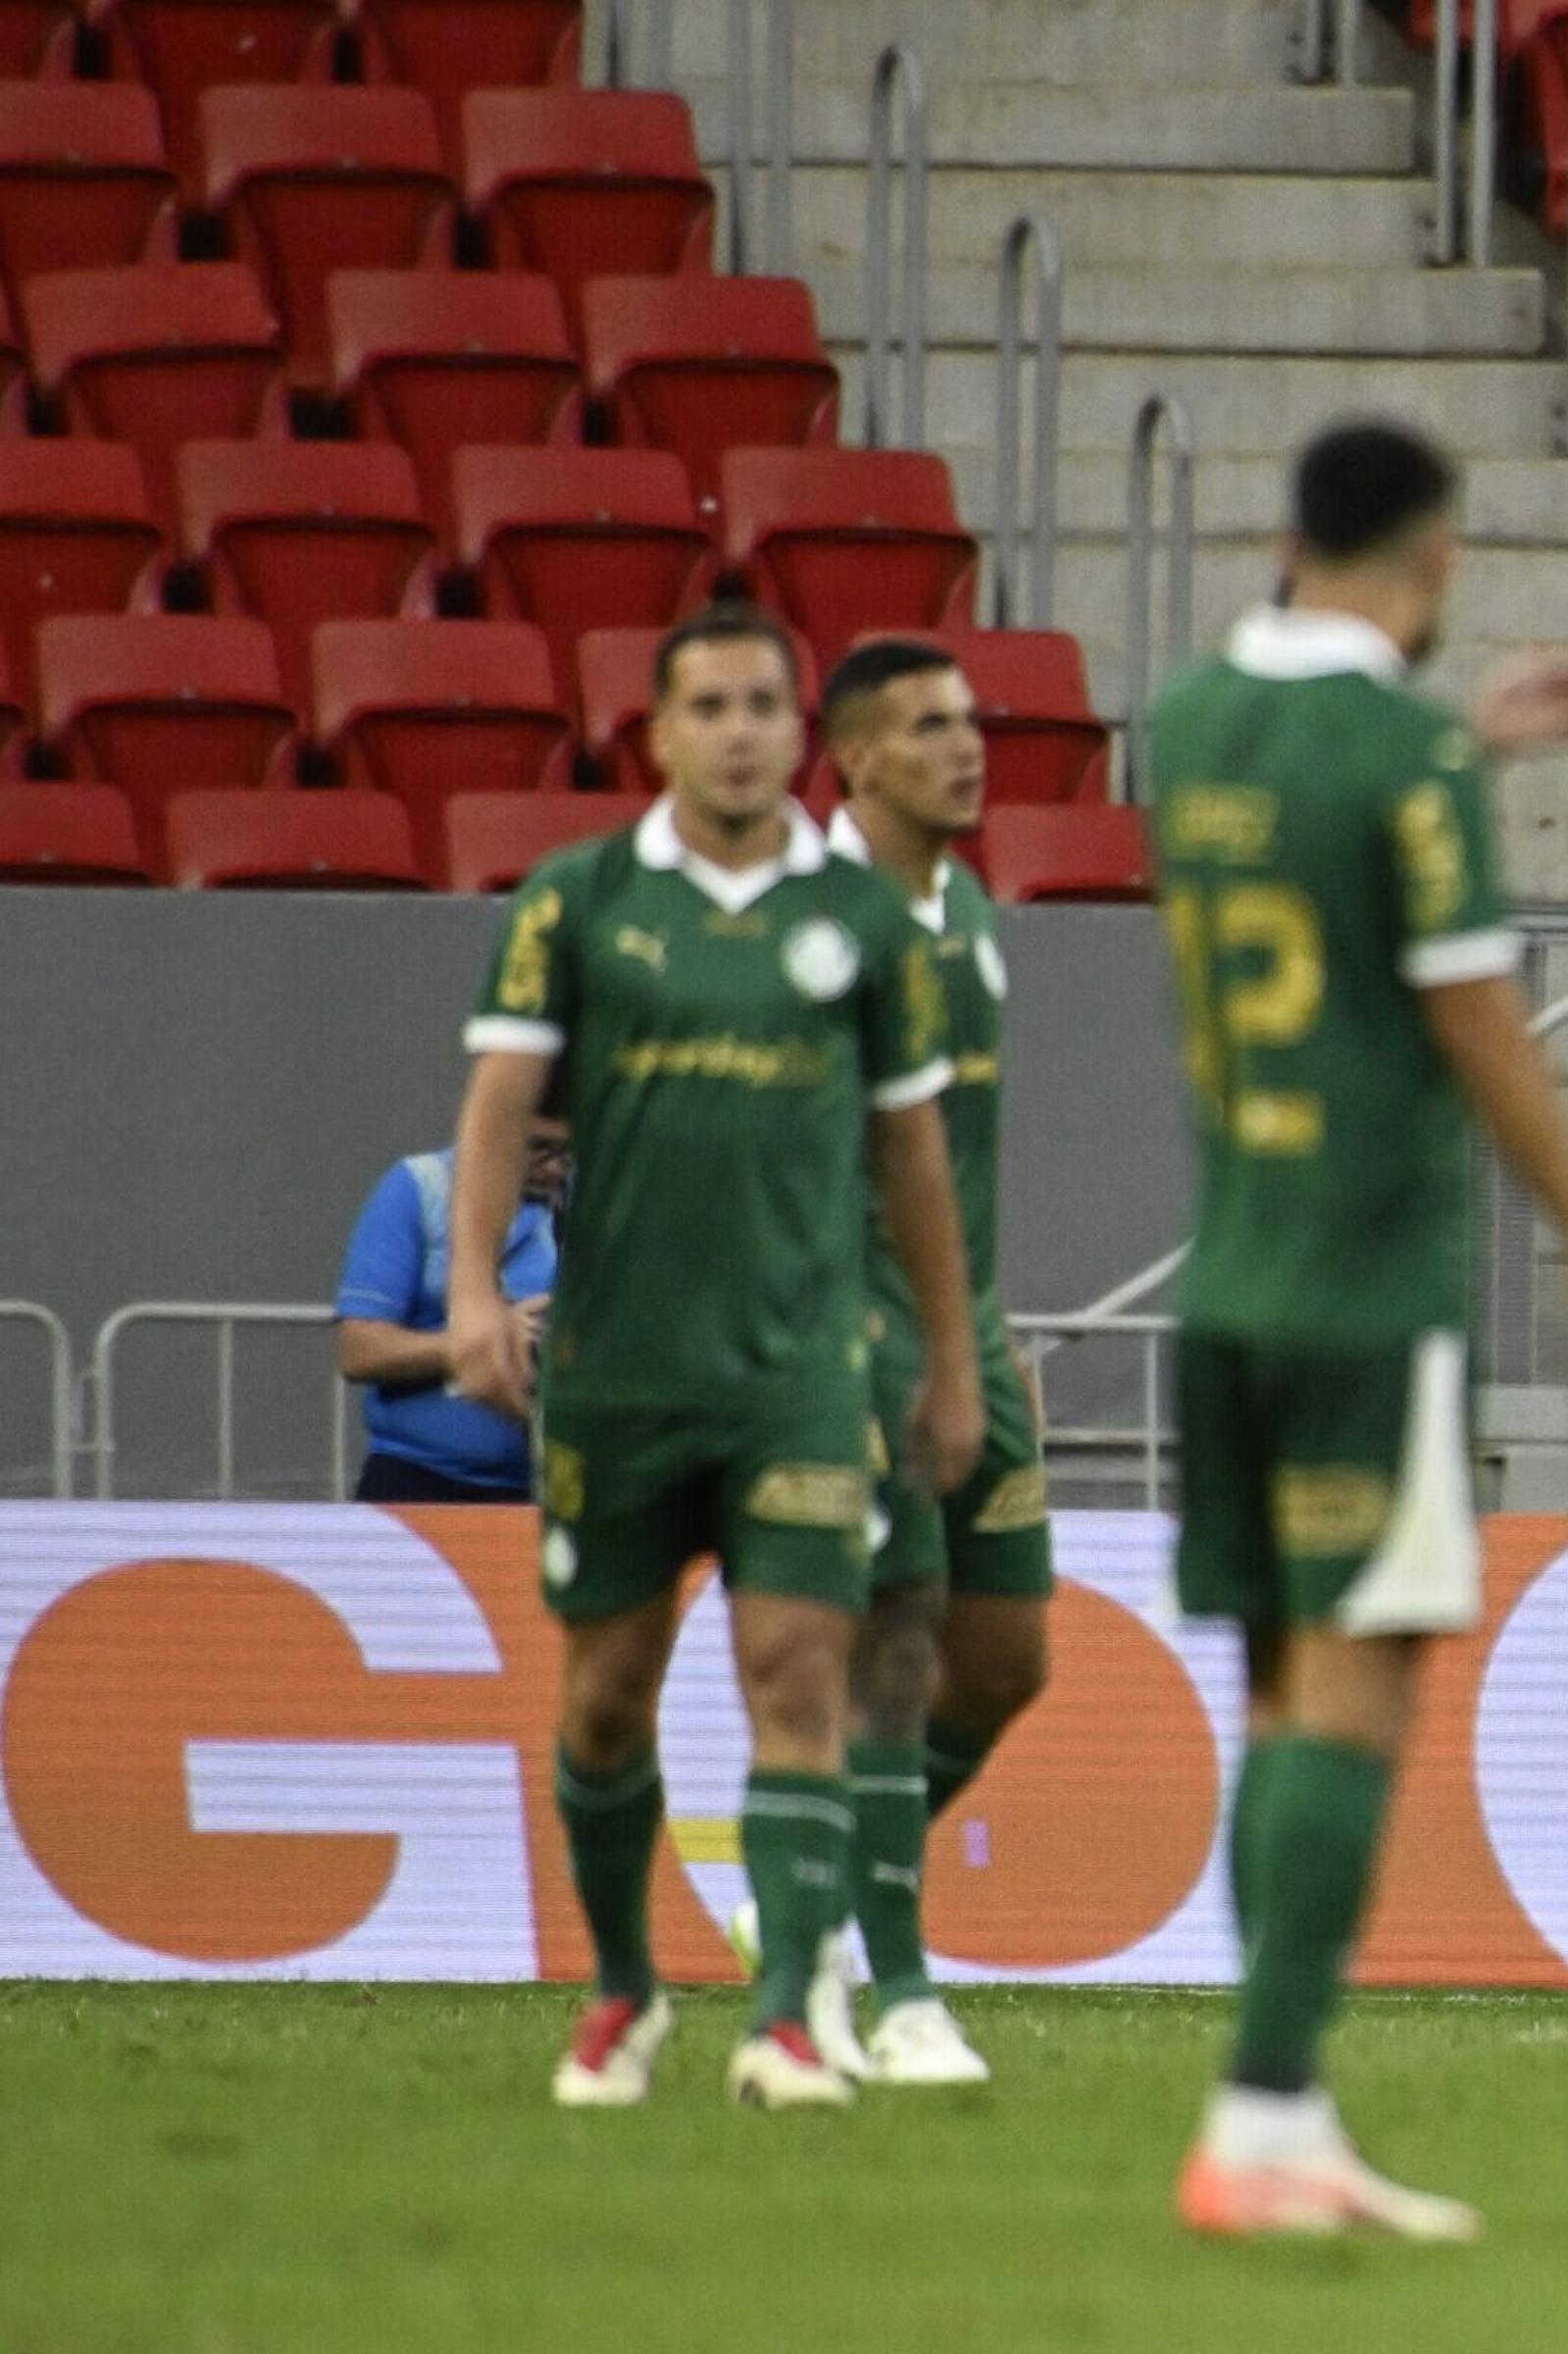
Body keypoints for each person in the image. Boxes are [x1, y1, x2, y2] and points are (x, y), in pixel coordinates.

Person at [1152, 419, 1568, 2243]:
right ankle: (1270, 2110)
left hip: (1229, 1279)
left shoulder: (1192, 724)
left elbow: (1327, 814)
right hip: (1373, 1289)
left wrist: (1467, 748)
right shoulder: (1403, 751)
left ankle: (1273, 2094)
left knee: (1278, 1700)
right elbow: (1473, 1021)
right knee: (1355, 1702)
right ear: (1434, 557)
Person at [449, 601, 985, 2111]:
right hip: (621, 1369)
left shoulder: (868, 926)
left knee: (793, 1672)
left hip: (800, 1373)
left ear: (798, 732)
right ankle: (625, 1986)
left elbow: (914, 1155)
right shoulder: (578, 899)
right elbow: (500, 1100)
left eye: (765, 705)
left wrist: (948, 1358)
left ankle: (786, 2019)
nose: (741, 731)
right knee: (606, 1695)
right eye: (713, 707)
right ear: (660, 730)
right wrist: (478, 1291)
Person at [722, 638, 1057, 2088]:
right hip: (853, 1338)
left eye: (971, 721)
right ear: (854, 758)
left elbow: (955, 1166)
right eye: (929, 727)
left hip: (967, 1331)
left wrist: (987, 1329)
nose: (967, 748)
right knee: (895, 1658)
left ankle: (810, 1903)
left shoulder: (968, 907)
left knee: (1010, 1660)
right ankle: (900, 1990)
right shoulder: (814, 926)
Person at [334, 1115, 568, 1504]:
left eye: (567, 1152)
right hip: (419, 1480)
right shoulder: (418, 1188)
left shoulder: (586, 1199)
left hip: (550, 1482)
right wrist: (477, 1340)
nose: (556, 1166)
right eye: (539, 1148)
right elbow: (359, 1350)